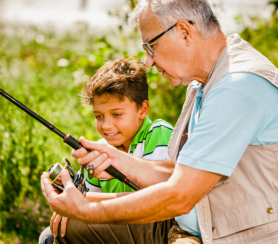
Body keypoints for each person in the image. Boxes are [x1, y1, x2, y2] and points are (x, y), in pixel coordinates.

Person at [41, 0, 278, 243]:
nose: (148, 61)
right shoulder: (205, 82)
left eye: (151, 46)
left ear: (185, 32)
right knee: (56, 234)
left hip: (222, 235)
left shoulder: (237, 86)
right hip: (188, 224)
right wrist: (118, 160)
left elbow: (180, 196)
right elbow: (182, 175)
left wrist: (87, 211)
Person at [39, 57, 174, 244]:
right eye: (99, 116)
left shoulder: (158, 133)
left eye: (117, 114)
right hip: (122, 223)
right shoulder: (100, 150)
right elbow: (92, 200)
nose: (107, 125)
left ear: (142, 110)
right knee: (49, 236)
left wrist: (82, 202)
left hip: (158, 223)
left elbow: (158, 198)